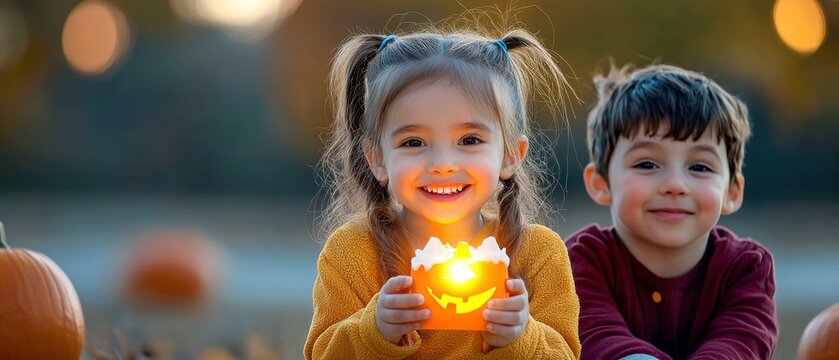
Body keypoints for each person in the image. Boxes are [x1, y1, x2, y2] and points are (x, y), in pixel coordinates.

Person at [304, 26, 580, 359]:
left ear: (510, 155)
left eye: (470, 140)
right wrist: (373, 331)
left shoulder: (539, 254)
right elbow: (322, 353)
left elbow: (565, 353)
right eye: (413, 142)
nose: (443, 164)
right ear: (376, 159)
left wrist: (521, 336)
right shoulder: (354, 252)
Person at [566, 63, 778, 359]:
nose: (675, 185)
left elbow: (740, 344)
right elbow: (596, 338)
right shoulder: (580, 260)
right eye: (647, 164)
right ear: (601, 183)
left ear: (732, 192)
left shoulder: (745, 268)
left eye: (700, 167)